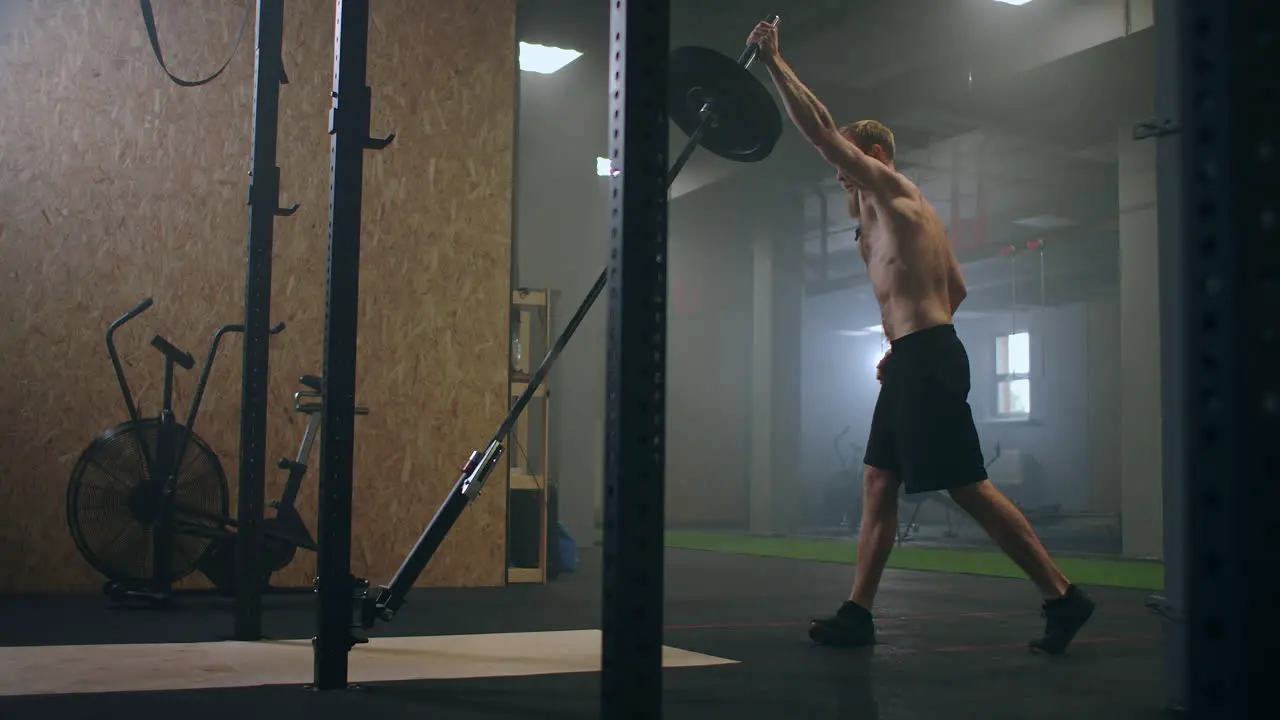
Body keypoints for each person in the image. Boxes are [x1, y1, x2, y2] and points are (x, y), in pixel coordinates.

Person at [746, 19, 1096, 655]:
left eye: (848, 162)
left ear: (873, 158)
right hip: (918, 356)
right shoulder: (885, 223)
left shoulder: (896, 191)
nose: (838, 175)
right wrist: (902, 342)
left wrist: (774, 61)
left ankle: (1062, 595)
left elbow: (822, 129)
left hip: (928, 359)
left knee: (968, 488)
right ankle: (858, 613)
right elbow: (956, 289)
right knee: (878, 482)